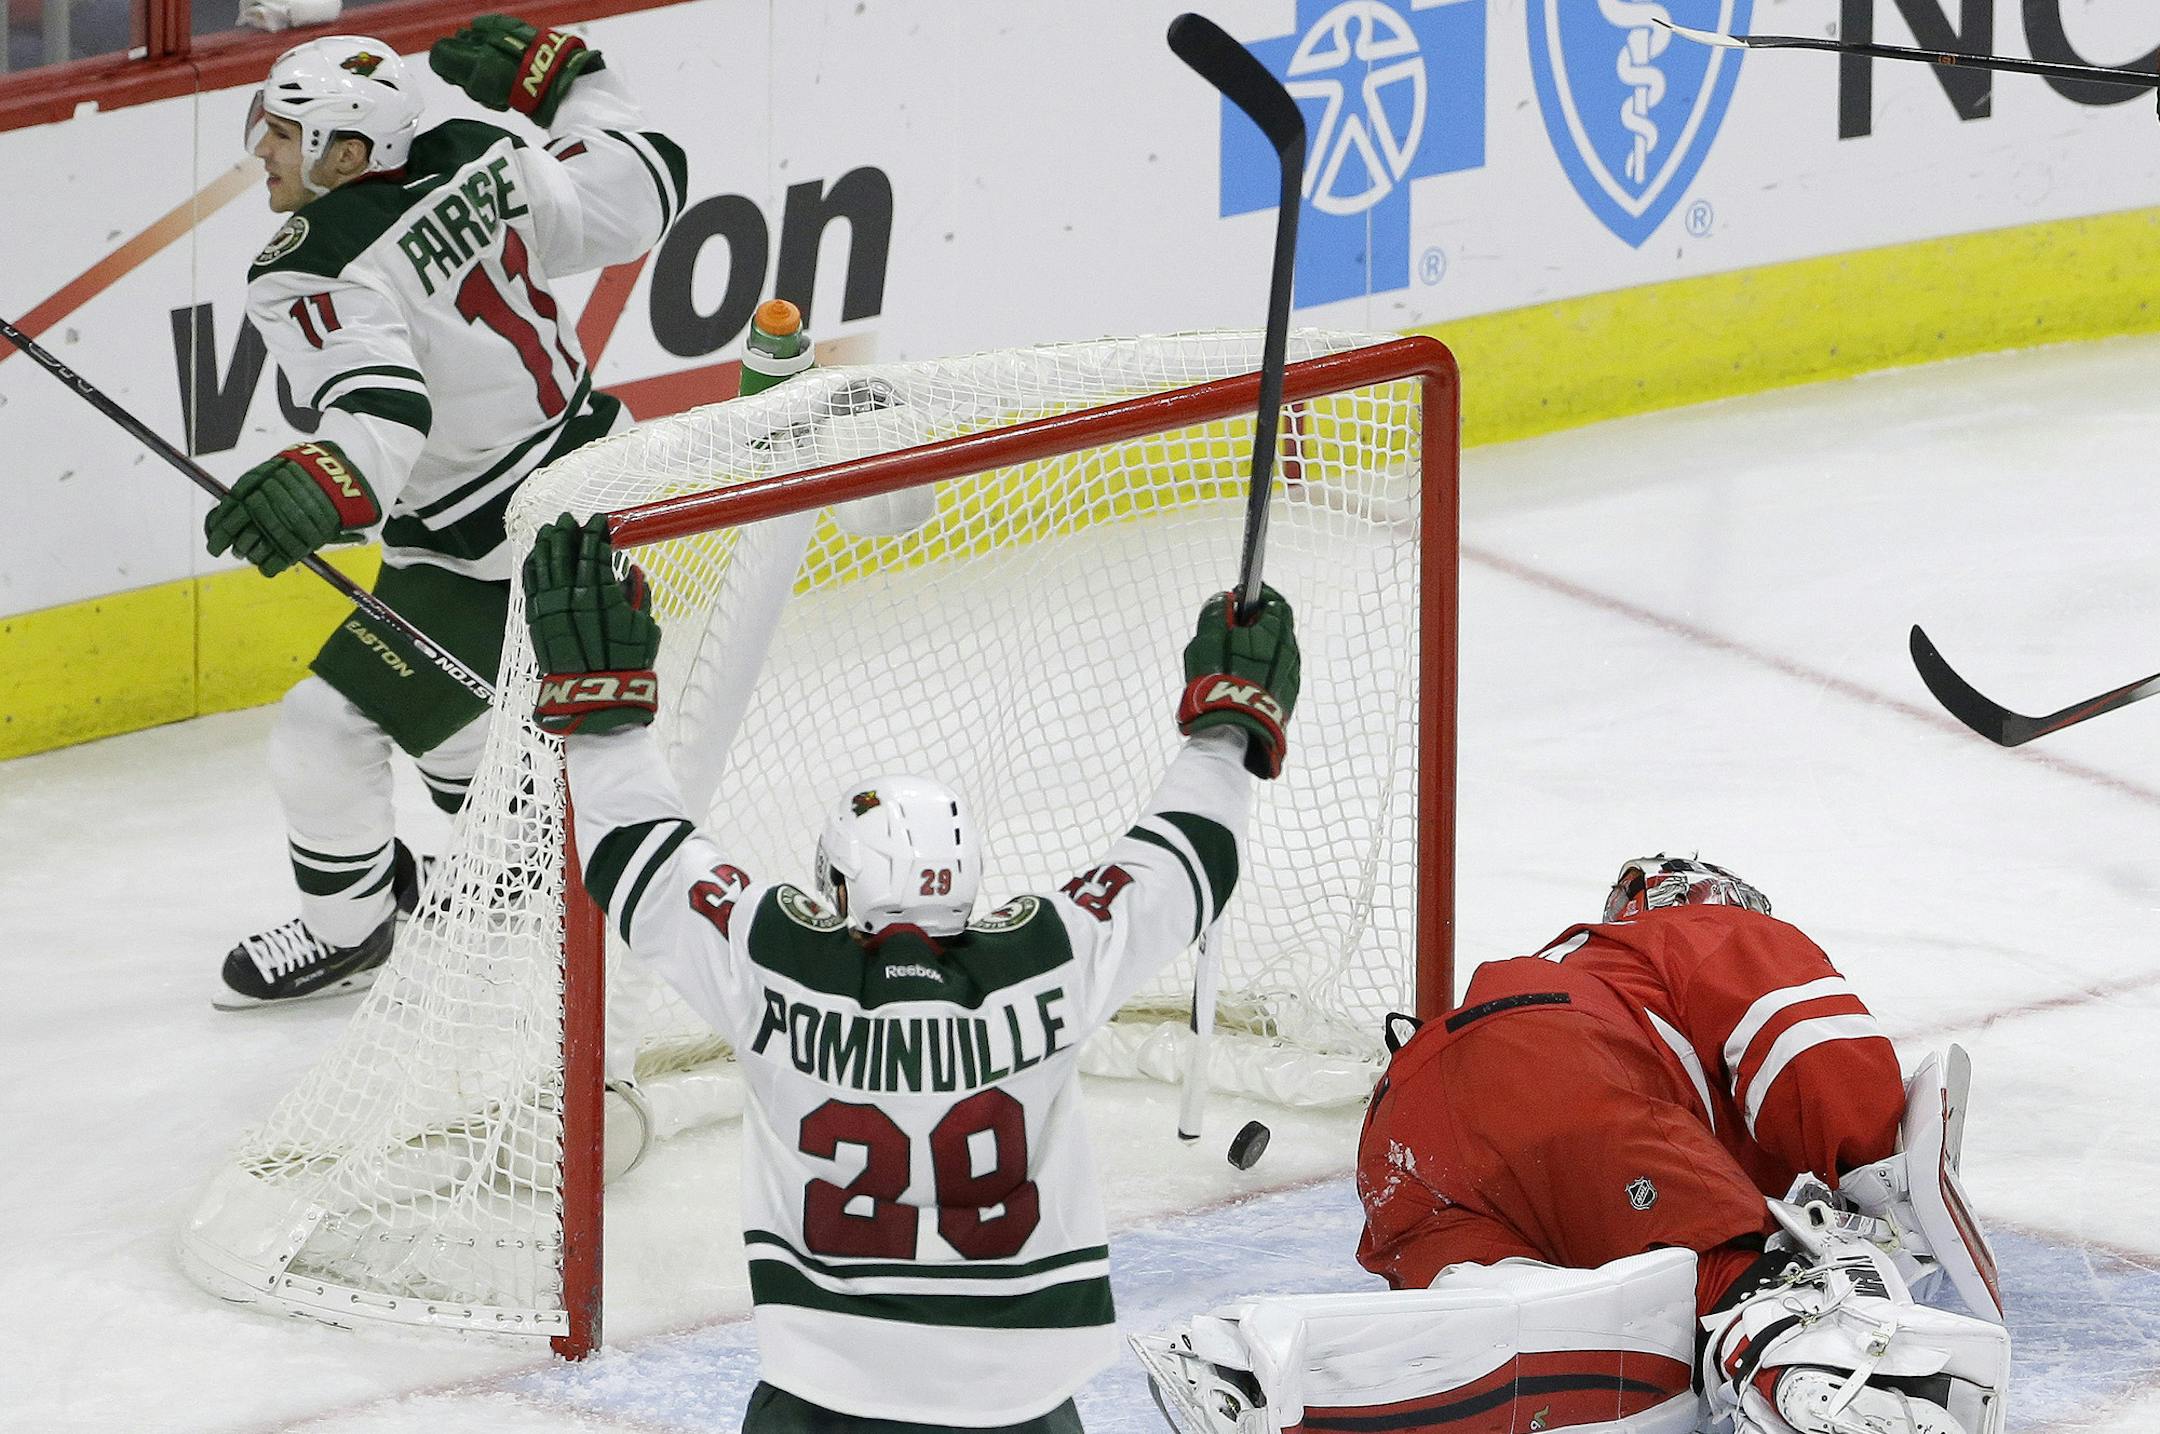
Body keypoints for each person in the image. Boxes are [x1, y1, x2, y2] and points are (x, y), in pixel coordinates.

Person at [525, 513, 1302, 1433]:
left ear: (842, 883)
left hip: (825, 1392)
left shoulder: (776, 961)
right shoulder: (1046, 959)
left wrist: (605, 720)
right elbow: (1184, 862)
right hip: (1024, 1400)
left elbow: (637, 853)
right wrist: (1227, 726)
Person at [1134, 857, 2010, 1434]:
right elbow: (1809, 1046)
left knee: (1551, 1331)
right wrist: (1873, 1172)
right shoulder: (1699, 928)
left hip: (1402, 1141)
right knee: (1740, 1282)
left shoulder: (1583, 965)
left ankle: (1259, 1367)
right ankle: (1840, 1377)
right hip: (1549, 1068)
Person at [206, 21, 686, 1007]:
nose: (263, 148)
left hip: (497, 540)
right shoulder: (482, 152)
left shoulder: (312, 261)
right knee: (452, 733)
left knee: (325, 728)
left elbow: (384, 410)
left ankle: (355, 929)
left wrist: (322, 479)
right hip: (593, 477)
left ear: (347, 153)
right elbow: (641, 188)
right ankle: (500, 843)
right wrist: (574, 84)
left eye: (284, 131)